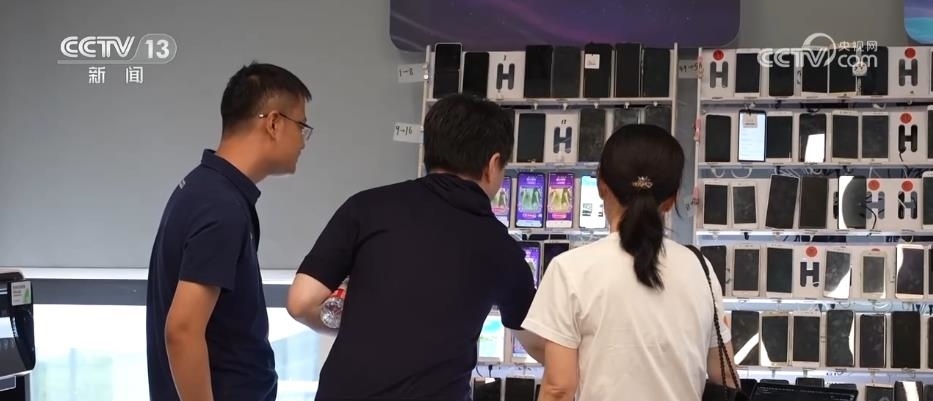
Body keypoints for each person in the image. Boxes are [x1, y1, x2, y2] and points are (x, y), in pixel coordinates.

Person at [286, 93, 545, 401]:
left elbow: (301, 303)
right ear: (492, 164)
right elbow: (540, 344)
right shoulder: (501, 248)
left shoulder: (367, 207)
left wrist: (361, 325)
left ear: (429, 151)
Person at [522, 124, 739, 401]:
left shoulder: (569, 270)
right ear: (672, 199)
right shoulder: (700, 268)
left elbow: (559, 389)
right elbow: (724, 375)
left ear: (601, 184)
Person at [146, 62, 312, 401]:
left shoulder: (205, 189)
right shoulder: (220, 207)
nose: (303, 142)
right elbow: (182, 330)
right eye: (302, 126)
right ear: (274, 123)